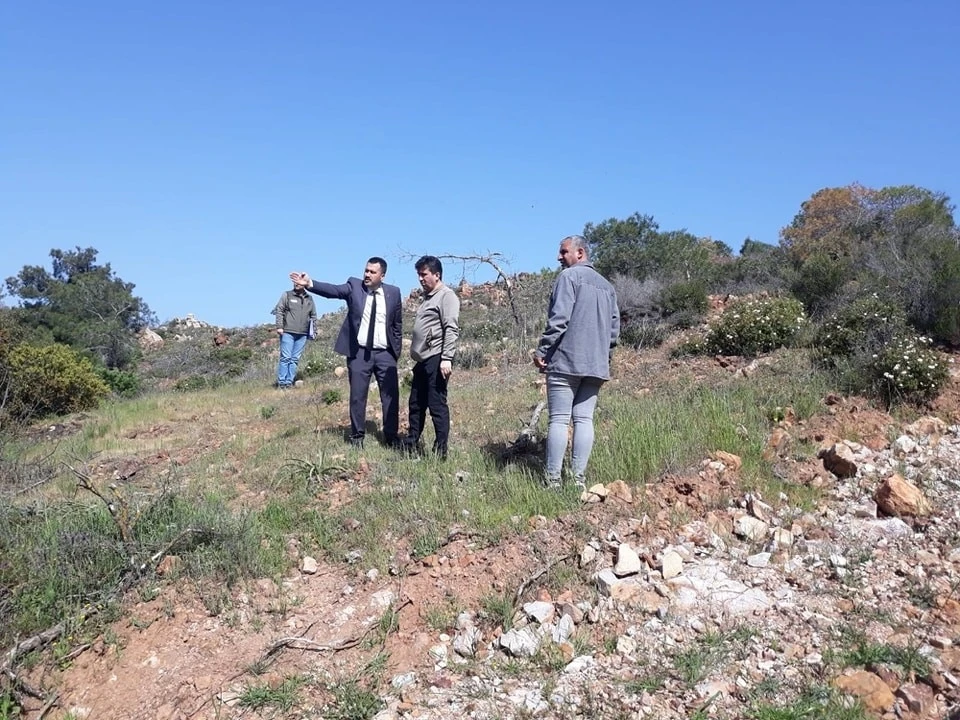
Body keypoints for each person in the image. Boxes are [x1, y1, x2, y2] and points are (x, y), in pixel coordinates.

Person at [533, 236, 620, 488]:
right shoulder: (607, 287)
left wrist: (543, 350)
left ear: (580, 253)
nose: (559, 257)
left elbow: (559, 319)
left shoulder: (568, 277)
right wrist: (605, 358)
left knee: (559, 419)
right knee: (584, 419)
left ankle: (553, 481)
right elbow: (614, 332)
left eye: (563, 252)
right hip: (596, 365)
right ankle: (577, 480)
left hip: (566, 361)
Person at [290, 257, 403, 447]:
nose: (367, 274)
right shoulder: (354, 286)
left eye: (372, 272)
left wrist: (395, 352)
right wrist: (310, 283)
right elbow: (333, 291)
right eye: (366, 270)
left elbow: (397, 324)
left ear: (382, 275)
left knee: (390, 396)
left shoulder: (394, 292)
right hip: (359, 353)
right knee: (358, 396)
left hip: (385, 353)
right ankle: (357, 437)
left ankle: (391, 438)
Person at [403, 255, 460, 459]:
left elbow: (451, 328)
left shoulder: (447, 296)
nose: (420, 278)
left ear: (437, 275)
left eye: (424, 274)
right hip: (422, 360)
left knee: (436, 405)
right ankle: (411, 445)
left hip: (436, 358)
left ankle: (440, 451)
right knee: (416, 404)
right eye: (419, 274)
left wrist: (446, 358)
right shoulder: (428, 297)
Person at [273, 281, 317, 389]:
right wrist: (279, 326)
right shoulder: (287, 295)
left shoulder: (309, 298)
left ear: (304, 284)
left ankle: (289, 382)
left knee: (294, 359)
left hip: (302, 334)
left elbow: (313, 316)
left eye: (299, 282)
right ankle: (282, 383)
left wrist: (314, 331)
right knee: (286, 358)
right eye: (295, 282)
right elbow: (279, 310)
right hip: (288, 332)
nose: (296, 284)